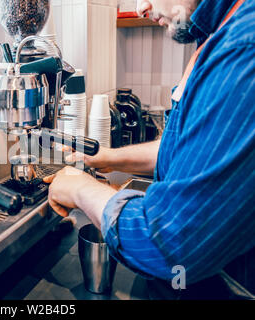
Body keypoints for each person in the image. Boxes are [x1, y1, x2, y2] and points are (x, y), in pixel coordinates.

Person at [44, 0, 254, 299]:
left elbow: (169, 242)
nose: (141, 7)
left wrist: (80, 189)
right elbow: (185, 148)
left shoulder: (243, 49)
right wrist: (109, 156)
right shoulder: (220, 33)